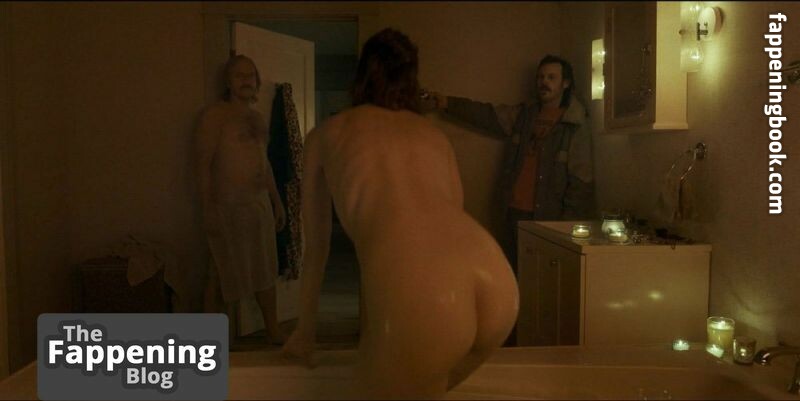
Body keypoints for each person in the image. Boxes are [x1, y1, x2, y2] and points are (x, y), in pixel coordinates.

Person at [281, 28, 519, 399]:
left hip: (429, 295)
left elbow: (317, 246)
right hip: (496, 278)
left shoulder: (327, 134)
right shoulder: (433, 135)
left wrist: (305, 330)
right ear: (411, 79)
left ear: (362, 74)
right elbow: (448, 221)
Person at [427, 55, 595, 269]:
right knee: (510, 272)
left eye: (551, 77)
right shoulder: (525, 115)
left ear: (566, 83)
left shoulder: (574, 123)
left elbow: (581, 181)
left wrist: (566, 228)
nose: (544, 82)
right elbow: (488, 115)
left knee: (540, 277)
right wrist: (447, 103)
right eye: (541, 77)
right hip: (512, 213)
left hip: (548, 219)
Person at [195, 54, 287, 345]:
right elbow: (202, 164)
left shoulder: (256, 118)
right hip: (227, 206)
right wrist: (207, 209)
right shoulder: (215, 116)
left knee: (265, 270)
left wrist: (276, 201)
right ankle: (210, 339)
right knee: (222, 272)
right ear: (228, 82)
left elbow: (264, 162)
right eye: (239, 75)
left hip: (257, 206)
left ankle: (273, 330)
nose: (246, 80)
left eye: (251, 75)